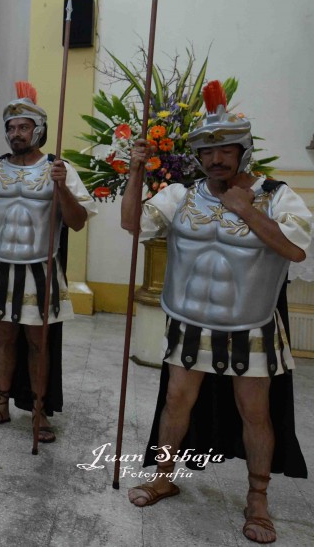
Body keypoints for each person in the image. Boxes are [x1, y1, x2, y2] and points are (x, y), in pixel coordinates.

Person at [120, 81, 310, 544]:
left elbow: (296, 251)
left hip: (252, 323)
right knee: (176, 403)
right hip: (189, 321)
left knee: (255, 413)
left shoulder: (276, 196)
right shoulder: (182, 195)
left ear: (243, 151)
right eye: (208, 152)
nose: (216, 160)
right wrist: (136, 173)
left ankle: (258, 501)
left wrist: (248, 212)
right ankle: (164, 476)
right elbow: (132, 224)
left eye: (226, 150)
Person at [0, 81, 94, 443]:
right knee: (2, 338)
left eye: (23, 126)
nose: (15, 133)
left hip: (41, 268)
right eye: (10, 127)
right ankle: (1, 404)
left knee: (39, 343)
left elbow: (78, 221)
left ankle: (39, 410)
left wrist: (62, 187)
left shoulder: (60, 169)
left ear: (38, 129)